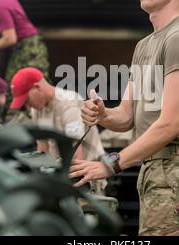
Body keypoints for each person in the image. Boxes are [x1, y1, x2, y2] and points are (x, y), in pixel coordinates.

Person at [70, 0, 179, 236]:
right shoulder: (144, 46)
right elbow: (126, 116)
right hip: (156, 171)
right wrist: (102, 114)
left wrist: (111, 163)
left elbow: (171, 124)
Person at [10, 67, 107, 195]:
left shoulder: (70, 103)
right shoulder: (37, 110)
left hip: (88, 180)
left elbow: (76, 158)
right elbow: (42, 152)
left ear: (37, 87)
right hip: (62, 175)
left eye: (27, 100)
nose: (28, 106)